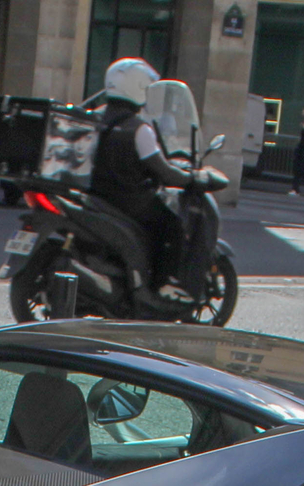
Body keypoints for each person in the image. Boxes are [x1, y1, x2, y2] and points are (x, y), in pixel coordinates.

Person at [87, 57, 227, 305]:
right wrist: (192, 178)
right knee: (172, 224)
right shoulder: (139, 129)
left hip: (97, 196)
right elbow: (163, 171)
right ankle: (168, 284)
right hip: (129, 200)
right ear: (138, 87)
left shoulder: (93, 118)